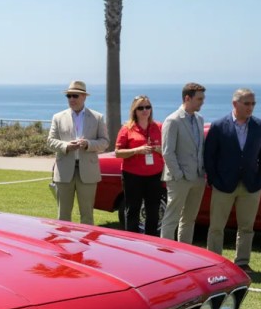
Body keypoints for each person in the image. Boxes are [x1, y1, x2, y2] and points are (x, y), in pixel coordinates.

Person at [203, 88, 261, 272]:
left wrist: (260, 180)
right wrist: (214, 180)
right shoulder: (218, 126)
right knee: (217, 226)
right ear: (235, 104)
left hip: (251, 186)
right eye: (247, 103)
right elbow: (209, 156)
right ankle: (215, 261)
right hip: (223, 184)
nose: (251, 107)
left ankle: (242, 262)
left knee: (247, 227)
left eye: (253, 104)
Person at [47, 80, 109, 224]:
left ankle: (87, 246)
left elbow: (104, 142)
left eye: (75, 96)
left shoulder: (97, 117)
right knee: (63, 215)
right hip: (64, 171)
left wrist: (88, 144)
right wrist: (66, 146)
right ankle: (63, 244)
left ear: (84, 97)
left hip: (88, 171)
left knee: (87, 215)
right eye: (69, 96)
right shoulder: (58, 117)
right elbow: (50, 141)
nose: (71, 99)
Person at [160, 82, 207, 243]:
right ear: (187, 98)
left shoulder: (200, 119)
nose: (202, 102)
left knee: (189, 219)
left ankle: (185, 254)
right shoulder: (172, 120)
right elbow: (167, 151)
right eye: (199, 99)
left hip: (198, 177)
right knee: (171, 218)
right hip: (179, 179)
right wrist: (179, 175)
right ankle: (165, 253)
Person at [114, 95, 164, 235]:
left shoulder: (159, 127)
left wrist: (159, 150)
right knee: (133, 210)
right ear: (134, 110)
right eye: (140, 108)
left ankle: (151, 241)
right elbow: (118, 153)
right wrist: (137, 150)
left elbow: (168, 149)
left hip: (154, 175)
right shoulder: (127, 128)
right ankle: (132, 241)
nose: (144, 110)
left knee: (153, 210)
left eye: (147, 107)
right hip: (132, 176)